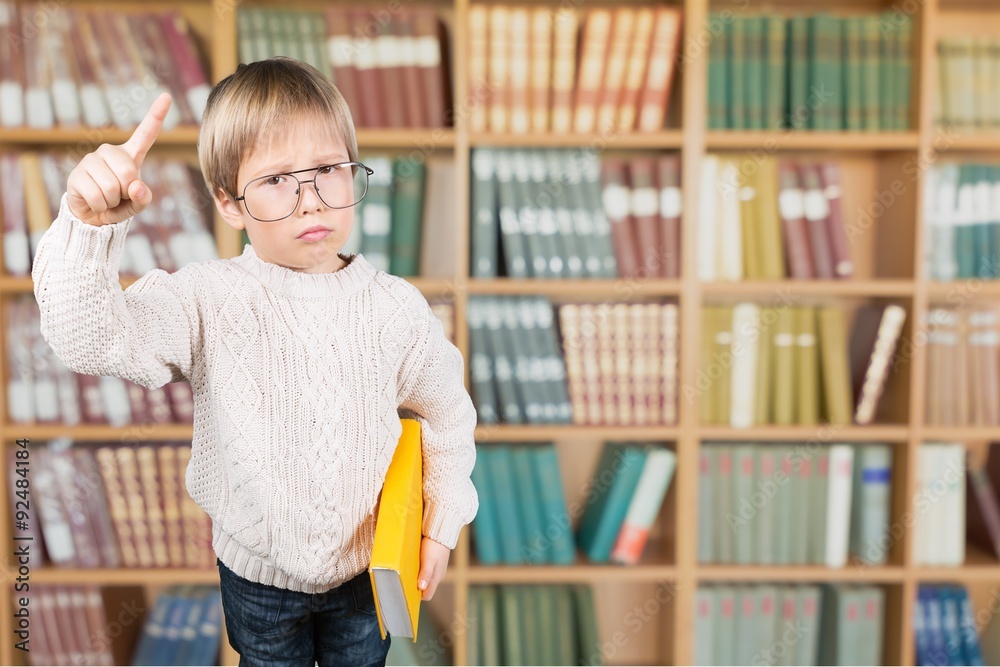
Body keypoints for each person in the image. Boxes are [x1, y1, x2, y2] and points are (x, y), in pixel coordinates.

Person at [31, 57, 478, 667]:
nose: (310, 201)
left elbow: (449, 414)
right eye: (276, 181)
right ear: (228, 202)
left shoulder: (397, 309)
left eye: (327, 170)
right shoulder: (206, 299)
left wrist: (440, 521)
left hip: (364, 571)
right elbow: (88, 338)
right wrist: (86, 228)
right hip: (256, 577)